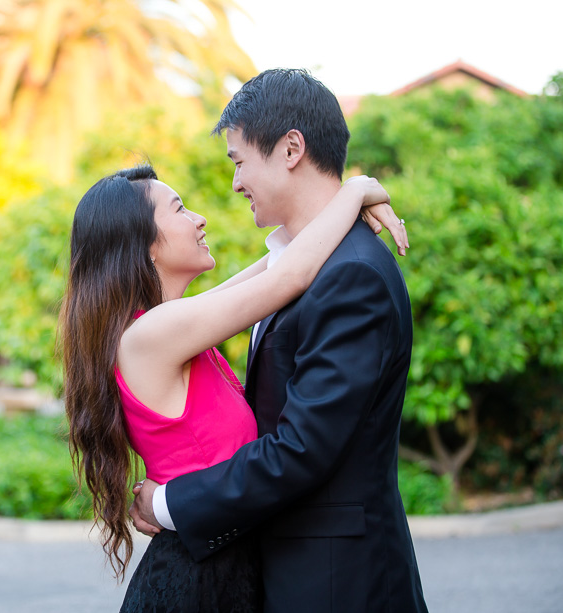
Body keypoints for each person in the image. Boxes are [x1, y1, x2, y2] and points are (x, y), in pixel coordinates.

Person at [129, 68, 429, 612]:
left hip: (338, 584)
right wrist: (355, 190)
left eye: (238, 161)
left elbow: (301, 448)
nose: (235, 182)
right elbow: (283, 271)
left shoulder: (350, 274)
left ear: (291, 149)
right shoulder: (303, 266)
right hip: (293, 572)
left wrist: (169, 503)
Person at [60, 161, 406, 607]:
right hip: (202, 579)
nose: (199, 219)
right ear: (144, 244)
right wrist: (355, 190)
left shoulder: (165, 326)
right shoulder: (154, 334)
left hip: (219, 561)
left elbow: (280, 262)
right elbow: (288, 277)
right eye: (180, 209)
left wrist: (338, 209)